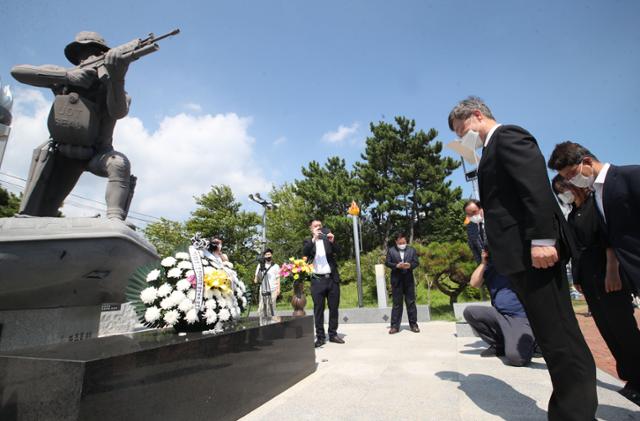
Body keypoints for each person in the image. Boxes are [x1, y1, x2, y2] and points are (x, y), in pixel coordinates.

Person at [448, 96, 597, 421]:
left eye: (462, 130)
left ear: (476, 115)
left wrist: (543, 240)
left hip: (536, 255)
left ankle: (575, 413)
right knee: (549, 336)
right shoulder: (489, 151)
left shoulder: (510, 136)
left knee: (560, 338)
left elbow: (535, 190)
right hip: (518, 260)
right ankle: (569, 409)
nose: (461, 139)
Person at [548, 142, 640, 405]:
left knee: (624, 329)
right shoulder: (583, 207)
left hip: (612, 273)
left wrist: (613, 268)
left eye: (568, 178)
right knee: (609, 330)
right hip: (592, 276)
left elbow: (609, 239)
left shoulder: (621, 183)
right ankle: (632, 378)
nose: (567, 184)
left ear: (586, 162)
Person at [11, 31, 136, 220]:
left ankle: (115, 219)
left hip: (97, 153)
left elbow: (118, 112)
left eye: (98, 51)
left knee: (119, 164)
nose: (93, 56)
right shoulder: (62, 76)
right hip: (63, 153)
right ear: (77, 55)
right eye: (86, 51)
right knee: (42, 213)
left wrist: (117, 79)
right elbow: (18, 72)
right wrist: (66, 76)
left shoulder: (113, 88)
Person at [463, 249, 536, 366]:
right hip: (499, 314)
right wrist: (483, 263)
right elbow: (474, 283)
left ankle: (534, 342)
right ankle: (499, 344)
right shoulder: (490, 265)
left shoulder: (517, 258)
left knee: (516, 358)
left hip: (519, 316)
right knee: (470, 312)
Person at [303, 219, 344, 347]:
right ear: (311, 228)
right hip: (317, 280)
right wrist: (314, 239)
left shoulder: (328, 239)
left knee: (333, 308)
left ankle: (333, 334)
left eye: (320, 225)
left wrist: (333, 241)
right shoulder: (308, 241)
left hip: (332, 279)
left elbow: (339, 251)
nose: (318, 228)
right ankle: (320, 337)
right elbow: (305, 252)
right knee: (318, 309)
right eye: (315, 226)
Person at [384, 233, 420, 334]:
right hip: (396, 280)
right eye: (400, 243)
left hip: (408, 279)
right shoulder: (391, 250)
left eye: (404, 242)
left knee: (411, 303)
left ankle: (414, 325)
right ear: (396, 242)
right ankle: (394, 326)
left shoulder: (411, 250)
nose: (402, 244)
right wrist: (396, 265)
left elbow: (416, 262)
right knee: (397, 304)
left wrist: (410, 265)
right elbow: (387, 262)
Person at [254, 248, 280, 317]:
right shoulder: (260, 265)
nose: (268, 256)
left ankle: (272, 323)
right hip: (263, 289)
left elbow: (278, 278)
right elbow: (256, 278)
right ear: (264, 256)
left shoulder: (276, 266)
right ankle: (262, 323)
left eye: (269, 254)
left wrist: (278, 289)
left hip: (273, 289)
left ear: (271, 255)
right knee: (262, 308)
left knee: (271, 308)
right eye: (266, 255)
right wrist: (259, 272)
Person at [463, 199, 486, 264]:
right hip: (487, 267)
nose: (472, 216)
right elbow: (474, 248)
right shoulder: (470, 227)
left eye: (474, 212)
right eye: (469, 214)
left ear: (481, 208)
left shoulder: (494, 219)